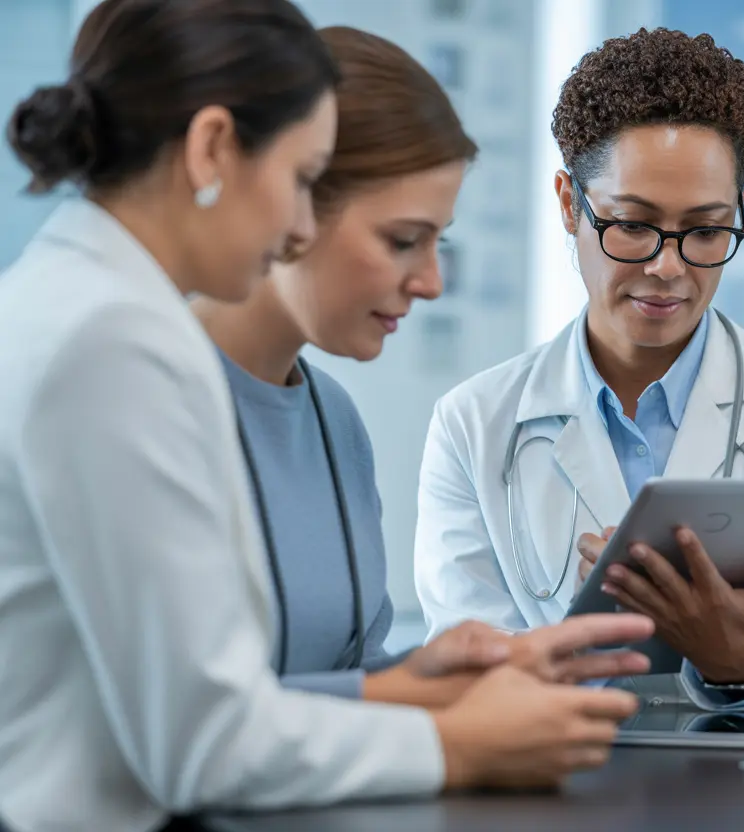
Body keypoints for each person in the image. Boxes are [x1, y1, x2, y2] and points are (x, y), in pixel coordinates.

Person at [0, 3, 646, 830]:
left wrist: (423, 682)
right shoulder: (113, 340)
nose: (298, 225)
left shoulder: (86, 302)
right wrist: (458, 743)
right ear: (211, 150)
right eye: (302, 180)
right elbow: (207, 739)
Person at [413, 26, 744, 710]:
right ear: (571, 204)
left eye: (704, 231)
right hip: (550, 786)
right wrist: (593, 641)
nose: (668, 268)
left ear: (738, 215)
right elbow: (466, 659)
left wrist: (737, 659)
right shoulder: (473, 424)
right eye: (633, 225)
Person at [192, 26, 648, 705]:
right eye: (404, 240)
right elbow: (183, 723)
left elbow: (350, 673)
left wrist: (473, 675)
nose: (432, 282)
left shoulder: (333, 421)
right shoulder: (145, 395)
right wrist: (430, 712)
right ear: (290, 198)